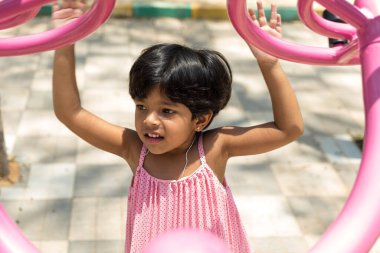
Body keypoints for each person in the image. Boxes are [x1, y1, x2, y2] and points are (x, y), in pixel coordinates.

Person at [52, 0, 304, 252]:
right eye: (141, 106)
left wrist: (269, 64)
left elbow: (288, 128)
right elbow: (70, 112)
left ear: (201, 120)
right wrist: (64, 42)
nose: (149, 120)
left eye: (167, 111)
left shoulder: (215, 149)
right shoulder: (135, 150)